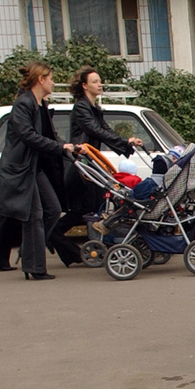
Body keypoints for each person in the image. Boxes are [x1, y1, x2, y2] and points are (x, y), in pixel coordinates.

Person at [0, 62, 77, 280]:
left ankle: (28, 253)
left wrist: (68, 147)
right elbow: (28, 136)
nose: (53, 82)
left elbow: (49, 136)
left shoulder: (39, 104)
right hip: (21, 169)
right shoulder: (23, 105)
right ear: (40, 79)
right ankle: (34, 267)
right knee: (34, 216)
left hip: (34, 167)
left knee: (52, 209)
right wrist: (60, 147)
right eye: (51, 78)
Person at [48, 65, 143, 267]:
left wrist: (127, 142)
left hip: (90, 166)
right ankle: (57, 239)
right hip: (81, 166)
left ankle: (87, 248)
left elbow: (104, 130)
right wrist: (124, 143)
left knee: (94, 207)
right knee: (82, 211)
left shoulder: (94, 109)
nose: (99, 84)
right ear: (84, 86)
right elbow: (95, 131)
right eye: (94, 81)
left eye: (99, 81)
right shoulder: (81, 108)